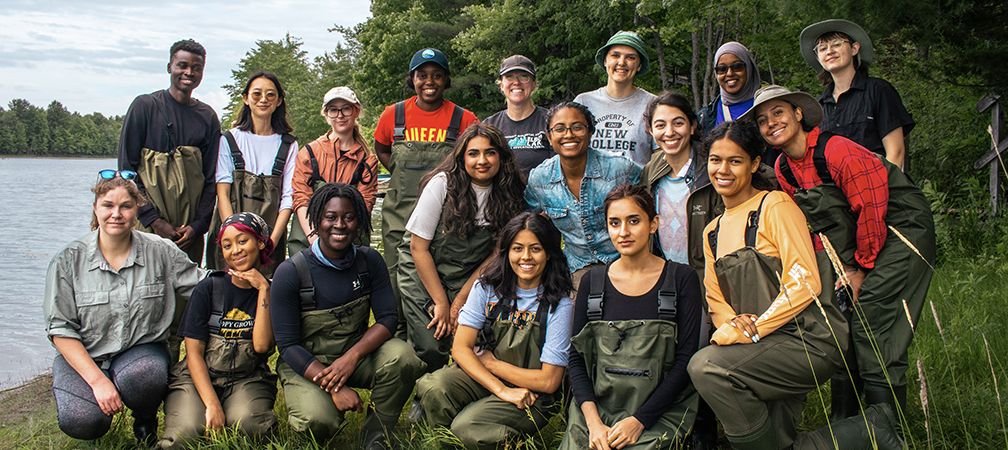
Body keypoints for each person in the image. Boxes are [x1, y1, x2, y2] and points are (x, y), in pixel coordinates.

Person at [748, 85, 935, 438]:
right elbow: (816, 227)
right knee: (840, 322)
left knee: (874, 323)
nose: (771, 123)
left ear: (798, 114)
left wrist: (859, 269)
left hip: (901, 229)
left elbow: (872, 208)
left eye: (778, 113)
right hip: (855, 239)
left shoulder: (837, 150)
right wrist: (827, 274)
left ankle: (889, 430)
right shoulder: (784, 169)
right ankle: (846, 421)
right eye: (762, 120)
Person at [685, 121, 868, 449]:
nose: (723, 169)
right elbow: (715, 299)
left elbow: (805, 281)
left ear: (755, 164)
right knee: (775, 434)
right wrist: (733, 326)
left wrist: (751, 330)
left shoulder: (775, 206)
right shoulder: (711, 230)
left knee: (706, 367)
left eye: (735, 161)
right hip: (759, 345)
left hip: (807, 339)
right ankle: (871, 431)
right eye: (715, 160)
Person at [43, 171, 204, 445]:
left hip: (139, 353)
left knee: (147, 376)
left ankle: (144, 419)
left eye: (125, 206)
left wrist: (263, 282)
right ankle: (96, 417)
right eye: (108, 205)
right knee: (82, 420)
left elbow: (202, 284)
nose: (116, 214)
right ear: (95, 208)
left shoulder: (161, 251)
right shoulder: (67, 261)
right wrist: (97, 382)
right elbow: (60, 330)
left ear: (137, 210)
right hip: (87, 357)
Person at [270, 183, 423, 449]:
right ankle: (321, 415)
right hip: (307, 364)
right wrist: (334, 387)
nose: (339, 225)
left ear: (359, 221)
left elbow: (387, 318)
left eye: (349, 217)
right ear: (317, 220)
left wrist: (351, 359)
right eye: (330, 217)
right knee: (317, 420)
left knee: (403, 358)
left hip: (356, 357)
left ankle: (377, 438)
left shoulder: (369, 261)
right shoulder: (290, 272)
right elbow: (287, 346)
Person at [560, 184, 702, 450]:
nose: (623, 232)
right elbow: (576, 359)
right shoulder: (593, 282)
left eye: (633, 221)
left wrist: (639, 421)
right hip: (596, 411)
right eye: (614, 223)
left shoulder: (681, 279)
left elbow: (686, 361)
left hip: (659, 412)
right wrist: (593, 423)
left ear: (653, 224)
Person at [415, 212, 573, 448]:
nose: (526, 257)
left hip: (531, 393)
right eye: (517, 248)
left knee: (468, 428)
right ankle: (447, 444)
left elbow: (549, 381)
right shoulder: (487, 287)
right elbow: (460, 349)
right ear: (506, 251)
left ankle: (514, 443)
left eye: (535, 249)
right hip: (485, 379)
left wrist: (493, 364)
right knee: (433, 387)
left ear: (549, 253)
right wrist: (500, 389)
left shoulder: (560, 303)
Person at [397, 123, 526, 372]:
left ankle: (458, 387)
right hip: (423, 266)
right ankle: (423, 388)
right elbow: (418, 248)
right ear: (461, 157)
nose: (482, 160)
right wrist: (442, 303)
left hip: (471, 272)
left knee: (474, 336)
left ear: (502, 156)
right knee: (434, 338)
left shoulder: (510, 193)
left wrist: (461, 301)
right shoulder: (442, 184)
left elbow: (497, 253)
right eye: (473, 153)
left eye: (490, 152)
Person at [373, 47, 480, 318]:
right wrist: (398, 170)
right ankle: (398, 331)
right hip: (398, 214)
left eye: (437, 75)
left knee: (439, 274)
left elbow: (473, 158)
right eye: (422, 75)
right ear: (413, 79)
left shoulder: (464, 119)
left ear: (446, 80)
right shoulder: (392, 115)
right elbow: (382, 149)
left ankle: (440, 332)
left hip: (447, 215)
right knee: (395, 275)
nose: (429, 81)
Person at [161, 212, 277, 448]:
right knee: (185, 434)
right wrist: (212, 404)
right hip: (197, 377)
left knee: (249, 427)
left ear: (261, 242)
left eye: (243, 241)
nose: (235, 250)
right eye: (227, 245)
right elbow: (193, 354)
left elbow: (262, 346)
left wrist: (264, 290)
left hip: (247, 377)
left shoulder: (273, 291)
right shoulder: (208, 288)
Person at [118, 39, 220, 265]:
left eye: (196, 68)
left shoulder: (207, 117)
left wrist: (198, 226)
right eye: (182, 65)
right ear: (169, 67)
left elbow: (211, 178)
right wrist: (154, 220)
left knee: (186, 293)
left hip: (188, 234)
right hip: (146, 227)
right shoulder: (144, 107)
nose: (188, 72)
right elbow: (127, 172)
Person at [525, 102, 641, 291]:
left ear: (590, 132)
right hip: (577, 268)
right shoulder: (540, 179)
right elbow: (530, 220)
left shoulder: (620, 169)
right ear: (549, 136)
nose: (569, 135)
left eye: (577, 127)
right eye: (560, 129)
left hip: (627, 262)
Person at [205, 71, 298, 275]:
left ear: (279, 101)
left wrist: (271, 241)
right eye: (257, 94)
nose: (263, 99)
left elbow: (288, 198)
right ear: (246, 98)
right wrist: (234, 241)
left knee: (265, 291)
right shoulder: (229, 139)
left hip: (270, 235)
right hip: (229, 234)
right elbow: (223, 192)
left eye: (270, 95)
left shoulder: (289, 144)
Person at [800, 19, 914, 169]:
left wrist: (882, 189)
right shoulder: (819, 107)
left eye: (837, 44)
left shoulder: (878, 90)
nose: (829, 51)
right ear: (818, 58)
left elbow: (896, 153)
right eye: (822, 48)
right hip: (835, 190)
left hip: (879, 185)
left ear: (854, 48)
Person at [289, 86, 379, 255]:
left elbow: (365, 205)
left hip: (350, 240)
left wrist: (338, 243)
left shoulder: (368, 160)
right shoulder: (308, 153)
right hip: (308, 241)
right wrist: (315, 240)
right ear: (326, 114)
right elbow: (301, 199)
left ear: (356, 111)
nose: (340, 115)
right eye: (333, 110)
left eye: (346, 109)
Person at [574, 31, 656, 166]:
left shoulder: (652, 105)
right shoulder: (583, 102)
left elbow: (661, 155)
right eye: (615, 55)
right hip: (589, 185)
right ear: (605, 60)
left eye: (630, 58)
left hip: (635, 186)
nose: (621, 62)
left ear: (639, 65)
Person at [483, 55, 553, 180]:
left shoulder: (551, 121)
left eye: (524, 76)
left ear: (534, 84)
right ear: (501, 85)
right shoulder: (489, 126)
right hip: (501, 197)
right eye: (509, 77)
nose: (516, 82)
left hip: (543, 196)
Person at [697, 41, 762, 135]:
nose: (729, 73)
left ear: (749, 68)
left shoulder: (767, 105)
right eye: (722, 69)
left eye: (737, 66)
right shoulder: (706, 116)